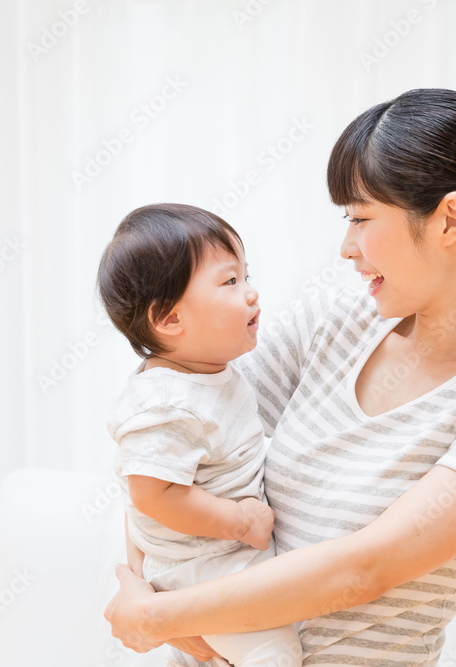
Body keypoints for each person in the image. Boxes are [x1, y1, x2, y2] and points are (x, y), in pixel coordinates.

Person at [103, 88, 456, 667]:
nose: (346, 247)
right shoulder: (328, 328)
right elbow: (173, 443)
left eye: (360, 218)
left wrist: (155, 616)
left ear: (450, 219)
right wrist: (148, 587)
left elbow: (366, 569)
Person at [97, 203, 303, 667]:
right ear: (169, 319)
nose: (251, 294)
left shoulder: (211, 375)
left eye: (247, 276)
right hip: (200, 571)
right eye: (230, 282)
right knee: (276, 654)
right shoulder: (167, 399)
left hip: (219, 566)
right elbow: (152, 494)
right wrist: (238, 521)